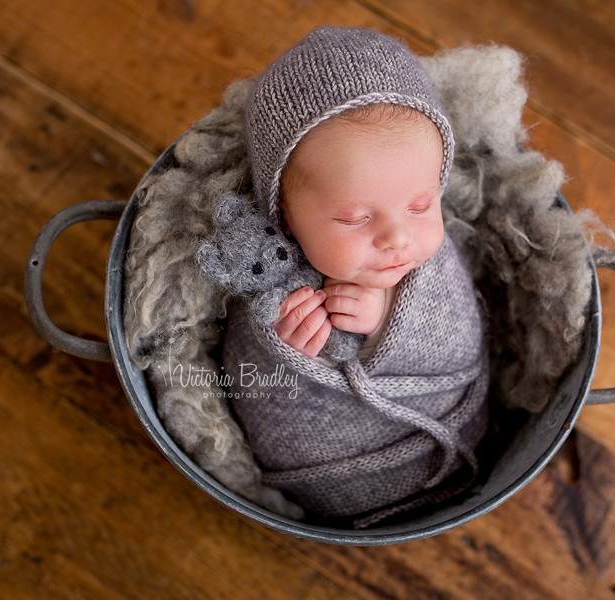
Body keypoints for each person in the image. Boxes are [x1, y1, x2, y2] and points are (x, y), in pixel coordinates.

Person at [218, 26, 490, 526]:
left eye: (421, 204)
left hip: (450, 435)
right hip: (331, 480)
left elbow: (461, 337)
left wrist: (390, 320)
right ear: (282, 210)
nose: (397, 238)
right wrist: (284, 350)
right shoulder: (263, 274)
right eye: (354, 218)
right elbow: (243, 382)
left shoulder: (430, 260)